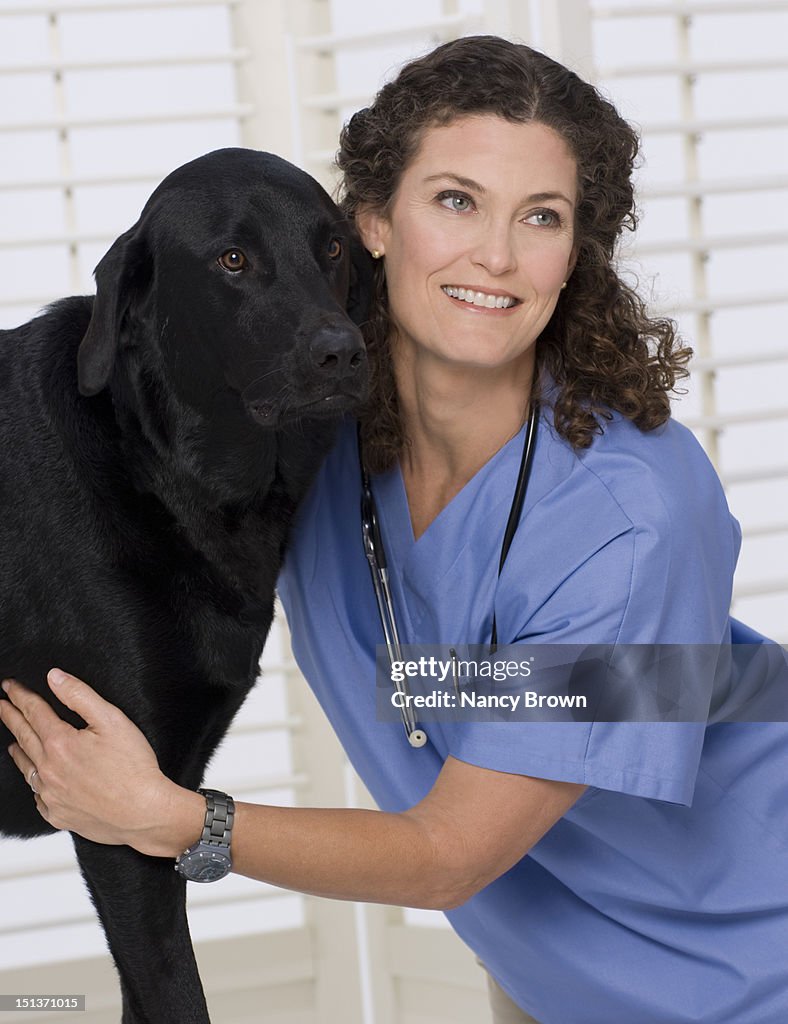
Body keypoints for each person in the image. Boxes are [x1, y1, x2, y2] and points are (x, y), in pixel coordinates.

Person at [1, 36, 787, 1024]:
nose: (494, 256)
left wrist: (174, 822)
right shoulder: (318, 448)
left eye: (539, 217)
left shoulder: (630, 519)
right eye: (455, 200)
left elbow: (452, 853)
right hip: (559, 977)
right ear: (370, 218)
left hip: (754, 971)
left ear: (574, 250)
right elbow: (119, 393)